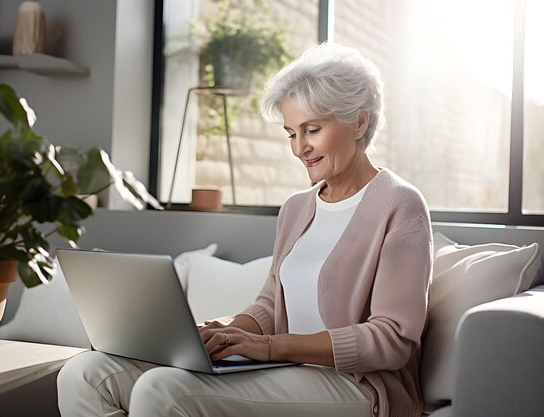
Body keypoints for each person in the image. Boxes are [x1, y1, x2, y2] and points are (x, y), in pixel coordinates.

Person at [57, 42, 432, 417]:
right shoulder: (297, 208)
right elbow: (270, 304)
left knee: (165, 389)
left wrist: (271, 347)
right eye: (291, 133)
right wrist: (227, 332)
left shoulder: (399, 204)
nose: (300, 148)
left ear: (360, 122)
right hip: (282, 369)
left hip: (356, 384)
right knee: (85, 373)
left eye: (312, 130)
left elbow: (393, 338)